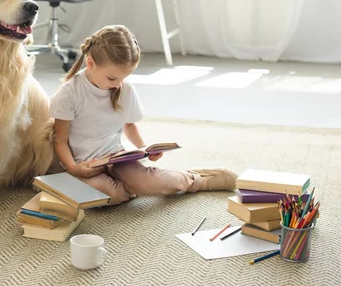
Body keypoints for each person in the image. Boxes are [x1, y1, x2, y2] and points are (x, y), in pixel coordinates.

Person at [50, 25, 237, 204]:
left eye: (124, 78)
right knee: (108, 196)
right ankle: (134, 186)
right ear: (90, 63)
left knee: (156, 183)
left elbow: (129, 125)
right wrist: (74, 169)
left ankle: (197, 179)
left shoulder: (125, 89)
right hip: (85, 166)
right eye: (112, 78)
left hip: (116, 158)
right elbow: (60, 139)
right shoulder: (70, 93)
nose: (118, 84)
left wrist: (144, 148)